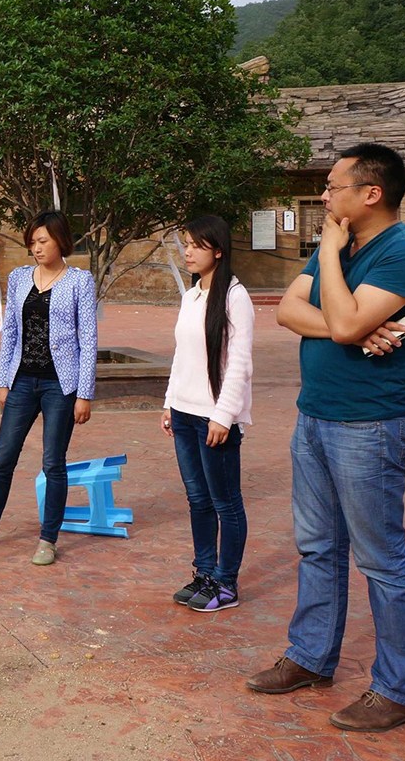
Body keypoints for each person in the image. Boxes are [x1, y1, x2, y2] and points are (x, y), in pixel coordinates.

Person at [246, 143, 405, 732]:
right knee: (318, 548)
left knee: (382, 560)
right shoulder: (345, 248)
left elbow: (348, 321)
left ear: (370, 193)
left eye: (333, 187)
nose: (325, 197)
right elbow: (286, 311)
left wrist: (329, 255)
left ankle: (399, 689)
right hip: (315, 418)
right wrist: (347, 327)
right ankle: (310, 658)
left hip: (370, 426)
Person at [0, 210, 96, 566]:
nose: (36, 248)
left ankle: (48, 539)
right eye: (32, 242)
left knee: (53, 463)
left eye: (43, 241)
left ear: (61, 240)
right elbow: (11, 333)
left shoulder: (79, 280)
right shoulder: (19, 278)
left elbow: (88, 340)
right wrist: (4, 382)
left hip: (60, 384)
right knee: (3, 458)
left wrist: (84, 393)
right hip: (21, 381)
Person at [161, 214, 254, 613]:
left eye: (197, 245)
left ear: (218, 250)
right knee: (197, 498)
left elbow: (239, 363)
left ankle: (226, 582)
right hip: (184, 412)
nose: (188, 251)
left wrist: (223, 415)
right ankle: (204, 572)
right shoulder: (192, 295)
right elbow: (183, 355)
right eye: (186, 244)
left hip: (215, 417)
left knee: (225, 501)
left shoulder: (235, 296)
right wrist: (169, 402)